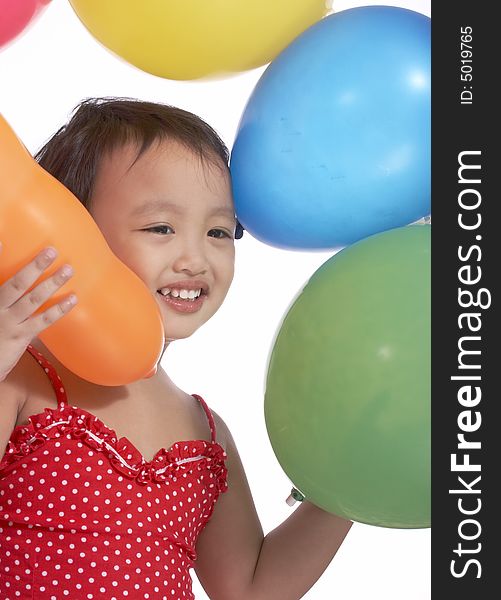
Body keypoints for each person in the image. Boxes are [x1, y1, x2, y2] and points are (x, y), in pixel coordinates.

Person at [0, 98, 352, 599]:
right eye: (161, 228)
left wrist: (345, 489)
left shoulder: (203, 430)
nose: (196, 257)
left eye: (219, 232)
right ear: (73, 230)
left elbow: (249, 588)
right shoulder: (22, 376)